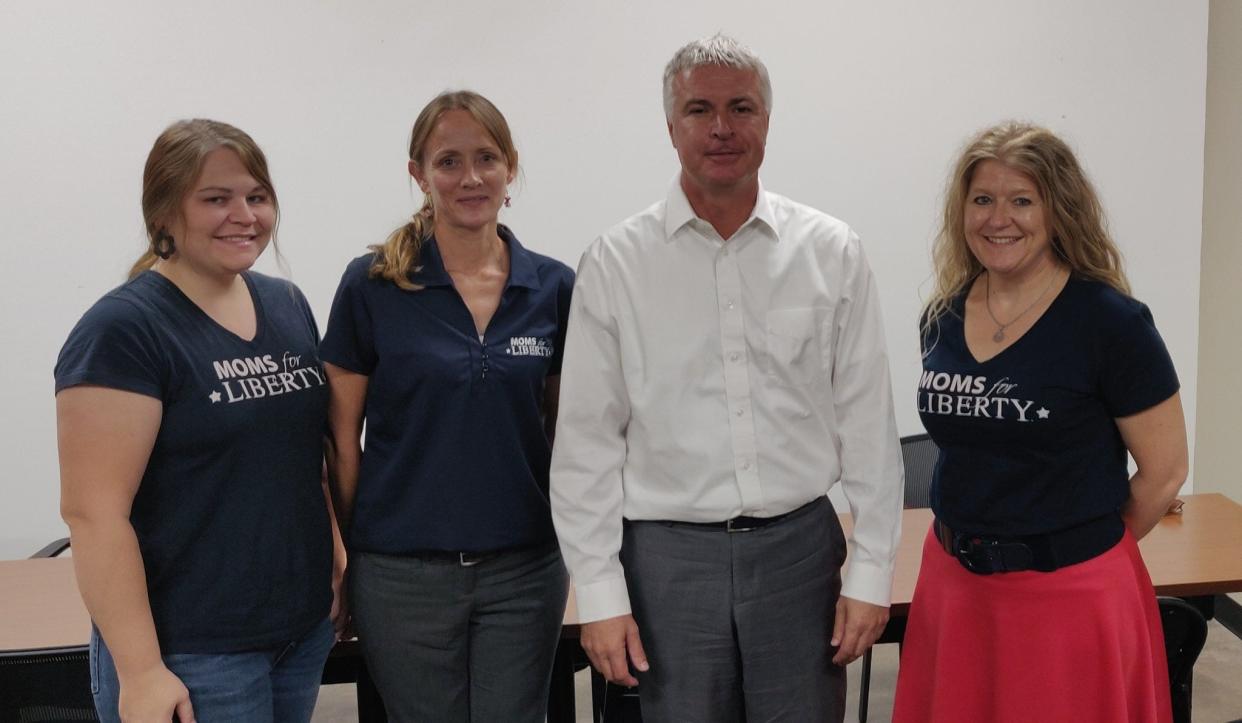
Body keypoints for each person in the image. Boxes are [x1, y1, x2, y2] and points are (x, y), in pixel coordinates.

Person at [550, 34, 904, 722]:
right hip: (666, 561)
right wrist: (599, 592)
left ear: (767, 119)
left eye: (741, 107)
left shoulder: (830, 251)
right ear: (670, 126)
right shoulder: (616, 263)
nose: (721, 128)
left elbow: (868, 425)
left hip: (800, 553)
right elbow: (587, 444)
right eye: (699, 109)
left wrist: (870, 571)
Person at [892, 122, 1187, 722]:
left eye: (1022, 200)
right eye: (983, 200)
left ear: (1058, 210)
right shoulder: (943, 316)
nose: (999, 218)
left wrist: (1079, 556)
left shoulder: (1111, 323)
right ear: (963, 212)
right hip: (954, 588)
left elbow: (1164, 473)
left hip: (1069, 597)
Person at [55, 119, 344, 722]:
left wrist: (337, 564)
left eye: (256, 197)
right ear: (163, 213)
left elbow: (305, 460)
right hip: (191, 651)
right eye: (216, 199)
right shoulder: (125, 331)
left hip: (298, 632)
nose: (244, 215)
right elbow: (94, 513)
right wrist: (140, 673)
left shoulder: (286, 304)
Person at [320, 90, 574, 722]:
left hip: (525, 570)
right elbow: (339, 439)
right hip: (402, 576)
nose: (471, 177)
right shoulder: (373, 283)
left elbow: (570, 434)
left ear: (511, 166)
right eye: (449, 161)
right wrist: (348, 554)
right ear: (419, 174)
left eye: (486, 157)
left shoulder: (554, 287)